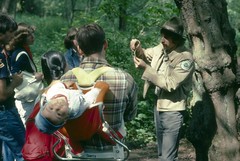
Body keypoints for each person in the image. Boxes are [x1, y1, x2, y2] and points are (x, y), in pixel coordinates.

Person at [60, 23, 138, 150]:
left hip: (77, 153)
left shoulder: (65, 79)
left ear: (79, 49)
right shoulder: (125, 79)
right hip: (111, 152)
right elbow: (130, 116)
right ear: (105, 44)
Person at [130, 16, 194, 161]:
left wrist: (146, 68)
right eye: (162, 36)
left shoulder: (185, 58)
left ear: (176, 40)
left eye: (166, 37)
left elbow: (170, 84)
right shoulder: (161, 48)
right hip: (158, 107)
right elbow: (146, 55)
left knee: (168, 157)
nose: (162, 40)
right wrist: (138, 47)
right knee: (161, 154)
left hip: (173, 110)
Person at [22, 50, 68, 161]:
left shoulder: (42, 93)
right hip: (50, 153)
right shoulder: (62, 92)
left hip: (36, 151)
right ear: (63, 67)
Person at [6, 22, 43, 125]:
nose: (33, 37)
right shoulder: (22, 54)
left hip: (22, 97)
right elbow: (14, 72)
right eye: (30, 35)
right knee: (26, 123)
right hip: (26, 98)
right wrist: (35, 77)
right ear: (23, 38)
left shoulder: (16, 50)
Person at [0, 13, 25, 161]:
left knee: (6, 153)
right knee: (24, 149)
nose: (13, 36)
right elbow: (2, 95)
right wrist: (15, 82)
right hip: (5, 114)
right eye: (10, 32)